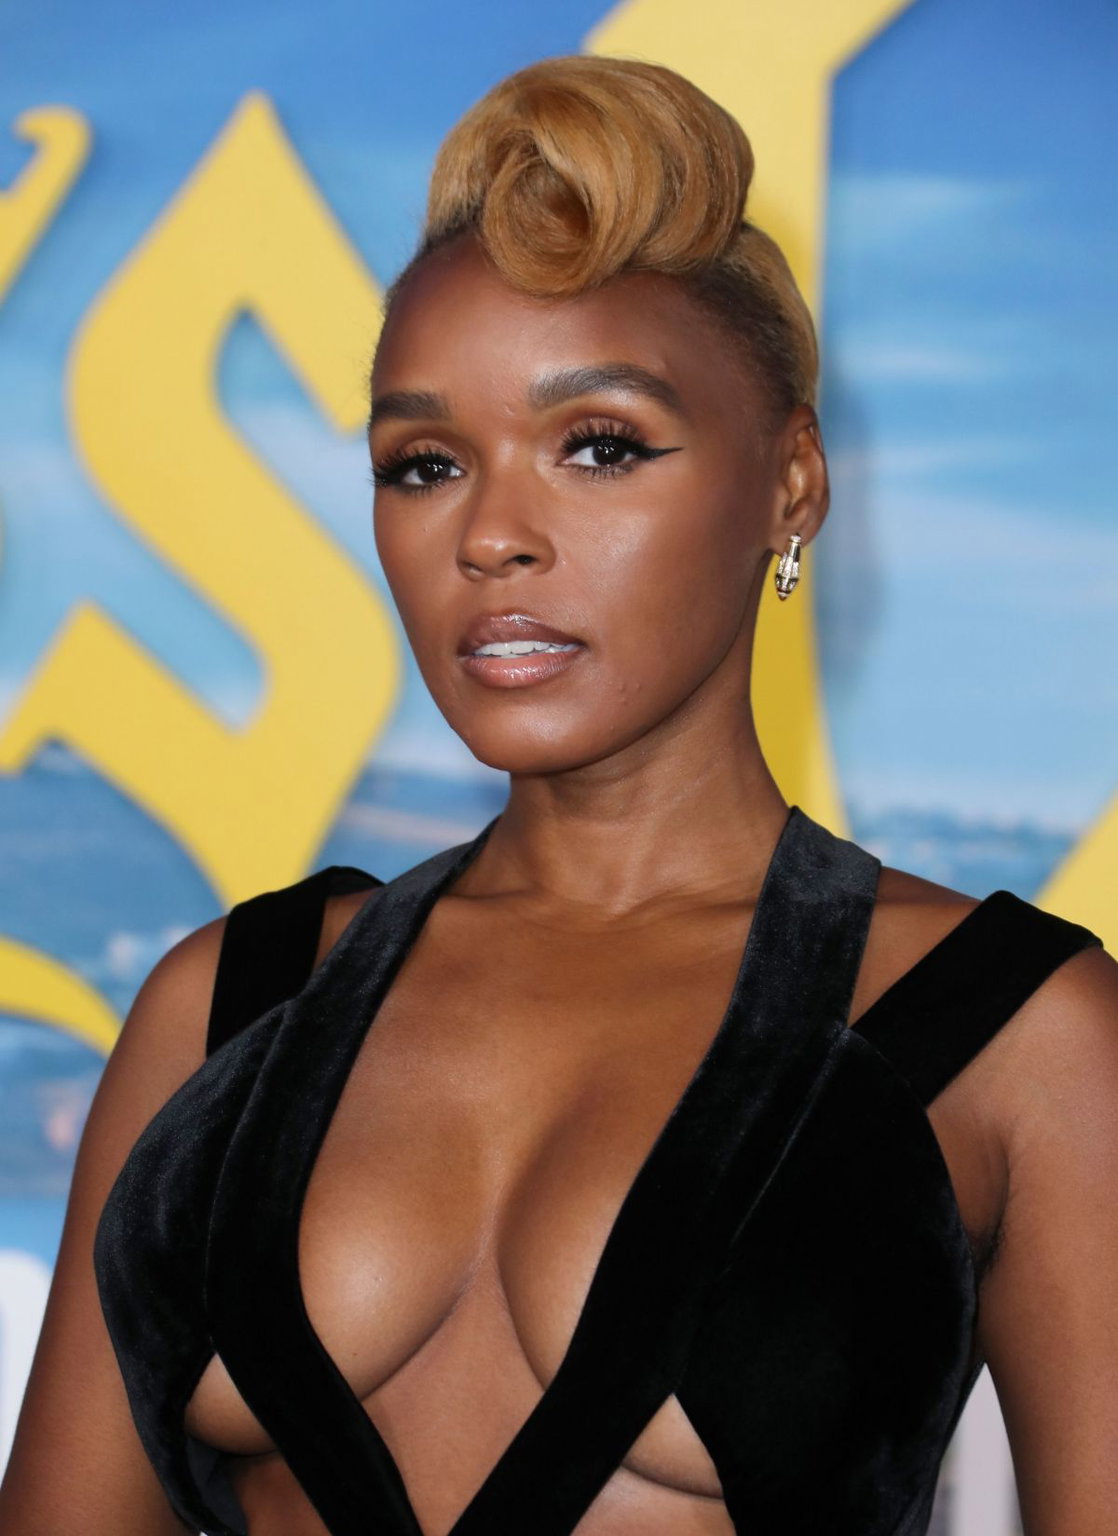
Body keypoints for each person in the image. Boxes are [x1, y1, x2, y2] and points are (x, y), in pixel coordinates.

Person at [1, 53, 1115, 1536]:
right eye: (424, 464)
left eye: (598, 446)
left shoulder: (1018, 1037)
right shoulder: (226, 1008)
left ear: (791, 482)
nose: (492, 536)